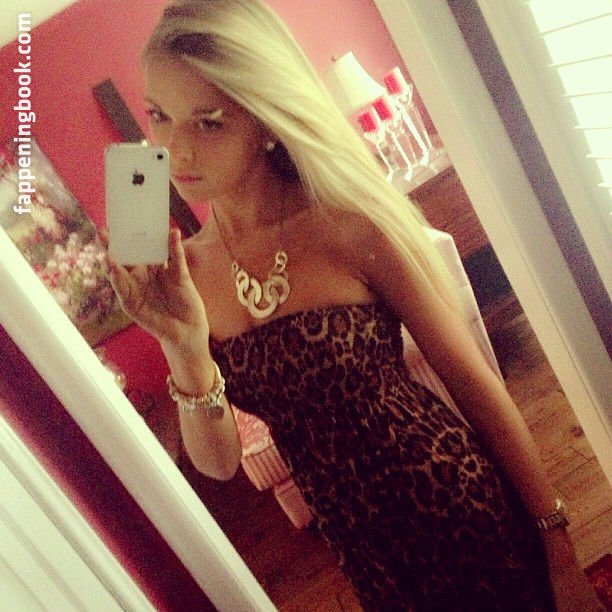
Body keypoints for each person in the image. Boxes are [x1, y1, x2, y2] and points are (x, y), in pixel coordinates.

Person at [105, 1, 603, 610]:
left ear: (264, 120)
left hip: (454, 504)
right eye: (159, 115)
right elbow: (218, 463)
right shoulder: (188, 274)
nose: (176, 151)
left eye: (208, 123)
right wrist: (181, 343)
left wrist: (558, 547)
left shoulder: (347, 226)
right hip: (363, 550)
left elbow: (476, 387)